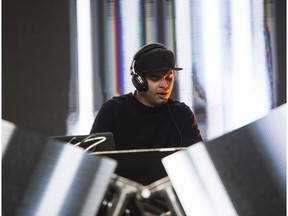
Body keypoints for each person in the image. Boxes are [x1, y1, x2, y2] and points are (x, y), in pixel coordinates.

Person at [90, 43, 203, 150]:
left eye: (169, 78)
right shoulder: (112, 110)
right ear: (139, 81)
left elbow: (199, 161)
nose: (164, 85)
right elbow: (94, 160)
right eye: (155, 78)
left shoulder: (182, 114)